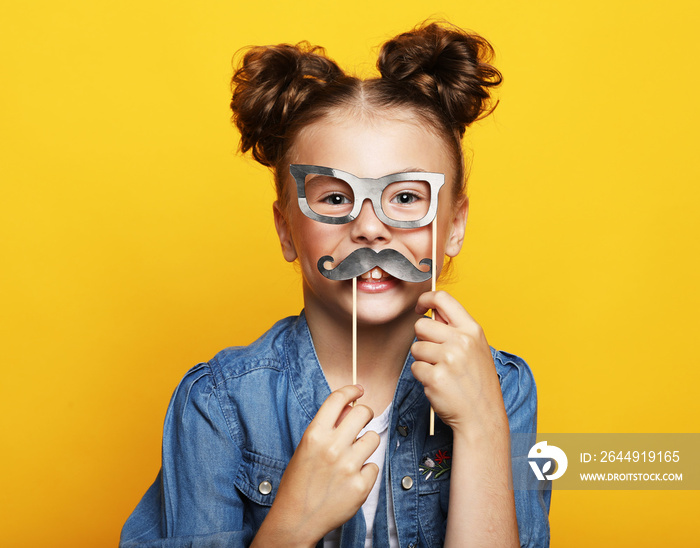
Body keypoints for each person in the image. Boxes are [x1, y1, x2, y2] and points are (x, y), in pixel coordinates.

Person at [120, 20, 551, 548]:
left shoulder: (502, 389)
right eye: (333, 199)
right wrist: (293, 521)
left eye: (407, 198)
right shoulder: (217, 404)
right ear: (286, 229)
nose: (370, 227)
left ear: (454, 224)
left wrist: (483, 428)